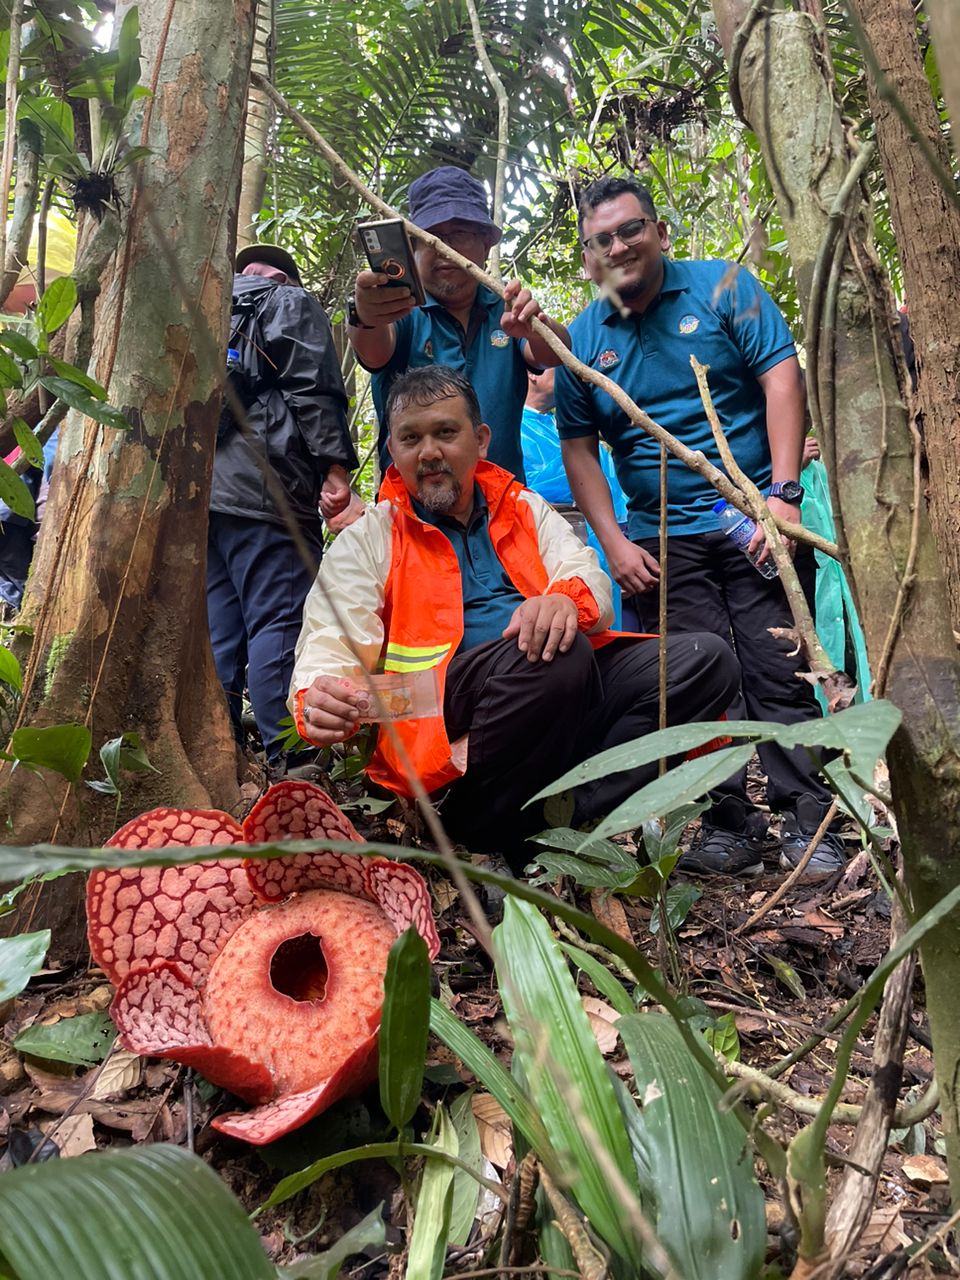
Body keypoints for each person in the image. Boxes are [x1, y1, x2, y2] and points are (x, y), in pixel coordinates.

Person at [289, 364, 741, 872]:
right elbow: (332, 635)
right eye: (411, 438)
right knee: (556, 655)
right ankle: (480, 822)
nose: (430, 452)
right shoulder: (370, 536)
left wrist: (567, 599)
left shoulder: (522, 506)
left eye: (445, 432)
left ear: (480, 440)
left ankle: (571, 814)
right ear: (393, 452)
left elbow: (583, 573)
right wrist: (320, 692)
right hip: (437, 707)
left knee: (706, 660)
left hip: (547, 689)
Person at [555, 175, 844, 879]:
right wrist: (615, 541)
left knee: (778, 663)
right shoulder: (582, 338)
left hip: (750, 516)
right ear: (588, 258)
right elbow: (577, 444)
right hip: (660, 540)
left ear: (658, 231)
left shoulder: (726, 288)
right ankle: (728, 823)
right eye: (602, 240)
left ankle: (809, 818)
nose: (619, 246)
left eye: (631, 229)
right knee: (694, 680)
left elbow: (781, 377)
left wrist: (781, 495)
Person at [208, 244, 358, 771]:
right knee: (280, 618)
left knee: (220, 630)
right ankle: (289, 761)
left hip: (206, 498)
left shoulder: (212, 309)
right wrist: (336, 468)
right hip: (267, 490)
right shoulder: (288, 300)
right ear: (284, 277)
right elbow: (314, 388)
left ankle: (219, 754)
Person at [346, 165, 571, 482]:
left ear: (485, 245)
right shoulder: (402, 308)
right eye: (432, 237)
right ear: (413, 248)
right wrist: (365, 315)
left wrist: (536, 328)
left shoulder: (503, 304)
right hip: (413, 513)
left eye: (460, 235)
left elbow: (551, 355)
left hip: (501, 509)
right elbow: (373, 351)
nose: (445, 249)